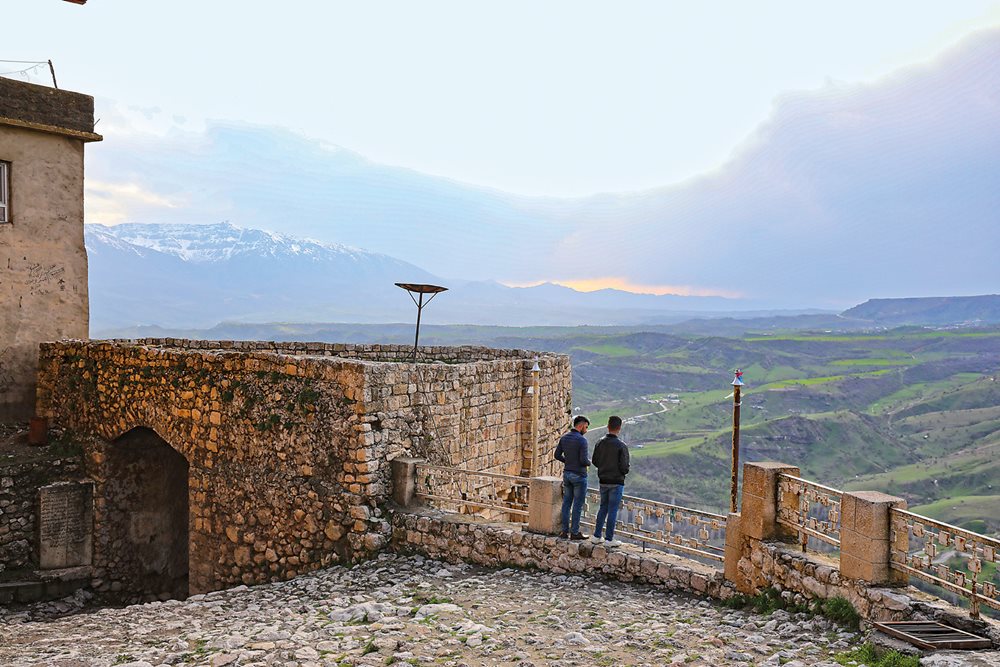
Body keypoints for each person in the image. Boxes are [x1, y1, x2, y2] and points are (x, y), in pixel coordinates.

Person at [590, 415, 630, 547]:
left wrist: (604, 467)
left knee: (603, 508)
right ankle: (609, 539)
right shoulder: (621, 446)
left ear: (608, 426)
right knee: (613, 510)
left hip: (603, 480)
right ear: (619, 428)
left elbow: (595, 461)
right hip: (616, 482)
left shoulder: (600, 442)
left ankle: (596, 536)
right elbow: (624, 467)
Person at [555, 415, 590, 539]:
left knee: (566, 503)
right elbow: (583, 460)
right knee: (577, 505)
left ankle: (564, 531)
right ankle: (574, 533)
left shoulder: (564, 438)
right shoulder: (582, 440)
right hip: (579, 476)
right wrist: (589, 462)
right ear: (580, 426)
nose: (586, 430)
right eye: (585, 427)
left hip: (567, 474)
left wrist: (568, 461)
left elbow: (557, 455)